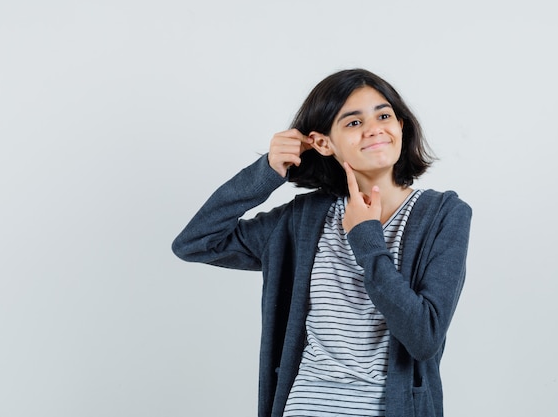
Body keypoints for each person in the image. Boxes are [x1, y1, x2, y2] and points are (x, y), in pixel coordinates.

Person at [172, 68, 472, 417]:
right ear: (323, 143)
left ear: (400, 126)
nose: (375, 128)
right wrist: (266, 171)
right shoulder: (304, 220)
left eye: (384, 115)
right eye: (353, 123)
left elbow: (424, 337)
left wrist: (366, 238)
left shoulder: (443, 214)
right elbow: (196, 242)